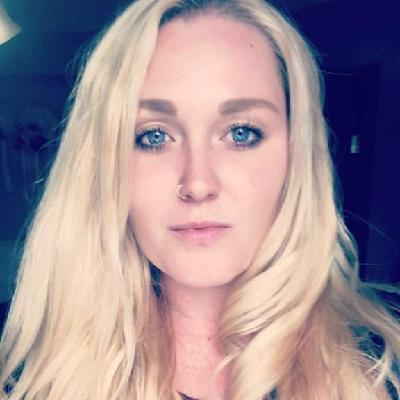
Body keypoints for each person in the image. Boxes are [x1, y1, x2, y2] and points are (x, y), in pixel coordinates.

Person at [0, 0, 399, 399]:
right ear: (104, 165)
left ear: (297, 154)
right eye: (153, 136)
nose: (198, 183)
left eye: (241, 132)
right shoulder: (26, 371)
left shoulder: (384, 368)